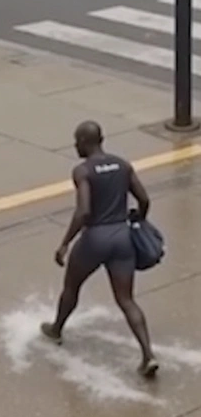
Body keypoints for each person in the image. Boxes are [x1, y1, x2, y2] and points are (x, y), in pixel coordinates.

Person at [40, 120, 159, 378]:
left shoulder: (83, 171)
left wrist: (65, 243)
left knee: (71, 287)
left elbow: (83, 211)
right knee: (126, 300)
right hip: (122, 238)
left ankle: (56, 329)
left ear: (84, 142)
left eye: (76, 141)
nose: (74, 145)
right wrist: (139, 219)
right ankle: (148, 354)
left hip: (95, 238)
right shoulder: (123, 164)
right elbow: (144, 199)